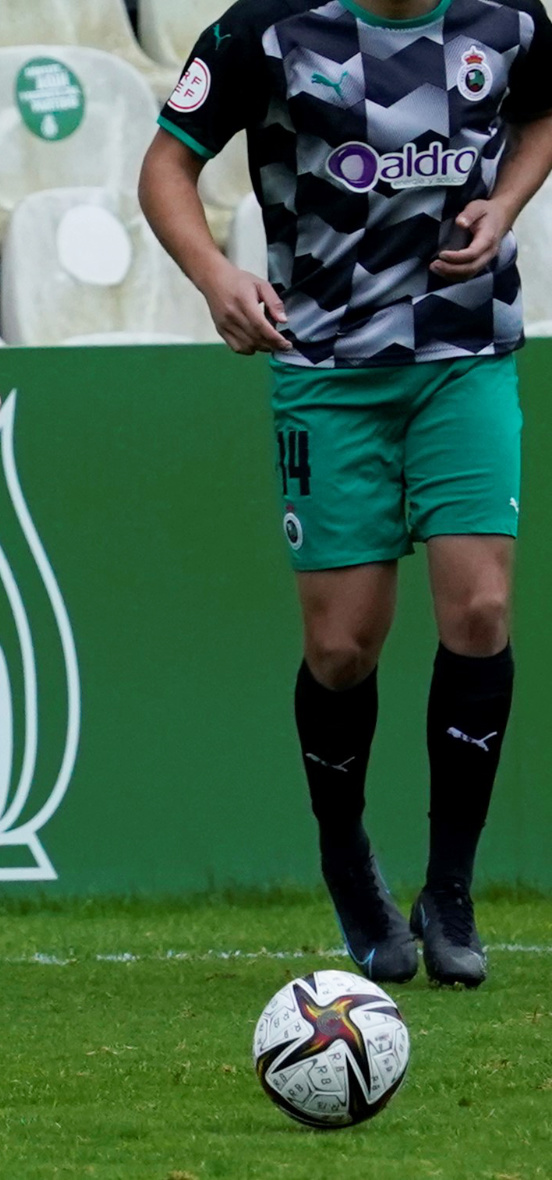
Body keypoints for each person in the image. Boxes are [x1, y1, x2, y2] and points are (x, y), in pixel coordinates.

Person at [141, 0, 552, 987]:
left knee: (479, 606)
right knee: (339, 645)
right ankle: (344, 859)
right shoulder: (265, 30)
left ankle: (448, 889)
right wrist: (211, 276)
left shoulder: (506, 19)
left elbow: (539, 116)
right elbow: (165, 164)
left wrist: (504, 205)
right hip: (324, 366)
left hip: (462, 351)